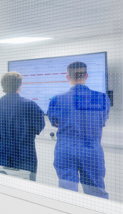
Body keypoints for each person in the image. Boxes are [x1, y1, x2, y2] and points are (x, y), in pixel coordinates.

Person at [47, 61, 110, 199]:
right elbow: (101, 122)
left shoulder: (56, 99)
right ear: (86, 76)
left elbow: (55, 122)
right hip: (92, 152)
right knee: (96, 193)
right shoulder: (102, 98)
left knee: (67, 194)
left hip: (66, 151)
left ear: (67, 77)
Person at [0, 72, 45, 181]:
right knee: (25, 188)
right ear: (20, 85)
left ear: (3, 86)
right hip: (24, 154)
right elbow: (39, 126)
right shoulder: (29, 105)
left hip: (2, 153)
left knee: (2, 186)